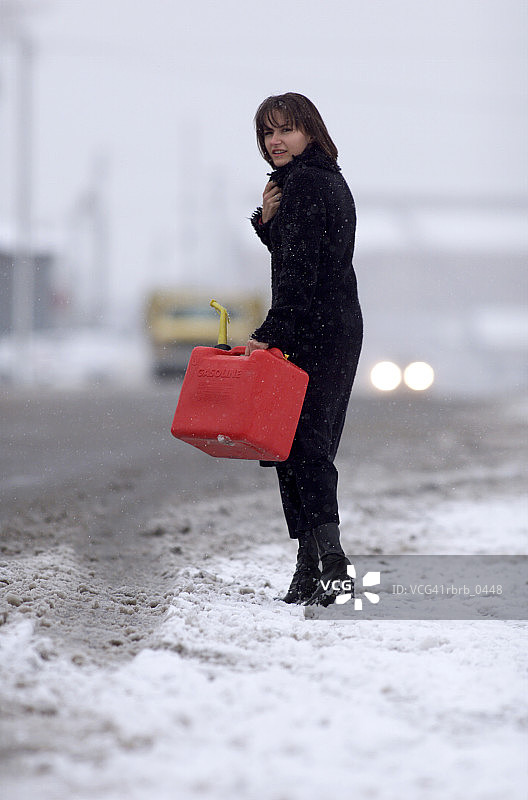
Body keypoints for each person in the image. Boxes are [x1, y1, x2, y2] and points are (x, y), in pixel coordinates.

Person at [245, 92, 363, 606]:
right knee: (293, 448)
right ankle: (309, 569)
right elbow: (306, 253)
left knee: (305, 448)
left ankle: (331, 565)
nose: (275, 141)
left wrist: (269, 332)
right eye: (267, 133)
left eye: (286, 130)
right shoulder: (314, 180)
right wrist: (269, 225)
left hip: (312, 329)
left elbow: (299, 273)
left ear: (310, 131)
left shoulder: (308, 184)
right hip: (329, 325)